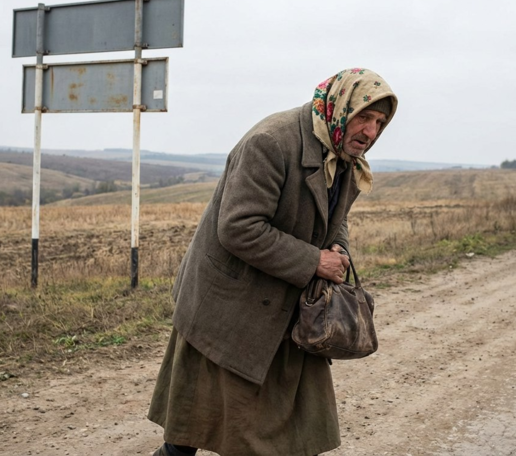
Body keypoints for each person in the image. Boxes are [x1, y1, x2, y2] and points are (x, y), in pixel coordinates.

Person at [148, 68, 398, 456]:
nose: (371, 132)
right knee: (192, 428)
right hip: (227, 308)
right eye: (364, 117)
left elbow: (337, 219)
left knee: (287, 433)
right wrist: (315, 260)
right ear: (340, 107)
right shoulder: (271, 142)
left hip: (284, 307)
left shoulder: (343, 154)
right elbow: (238, 227)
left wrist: (339, 251)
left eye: (380, 122)